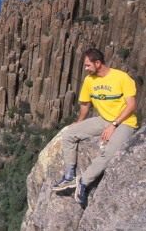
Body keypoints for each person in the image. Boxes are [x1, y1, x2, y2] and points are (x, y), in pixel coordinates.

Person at [51, 48, 138, 204]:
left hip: (124, 122)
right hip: (103, 119)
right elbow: (85, 104)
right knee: (69, 134)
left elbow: (131, 106)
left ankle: (82, 182)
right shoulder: (89, 80)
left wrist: (114, 125)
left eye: (88, 65)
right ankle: (69, 175)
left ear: (98, 63)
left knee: (110, 152)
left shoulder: (122, 78)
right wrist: (79, 121)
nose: (85, 69)